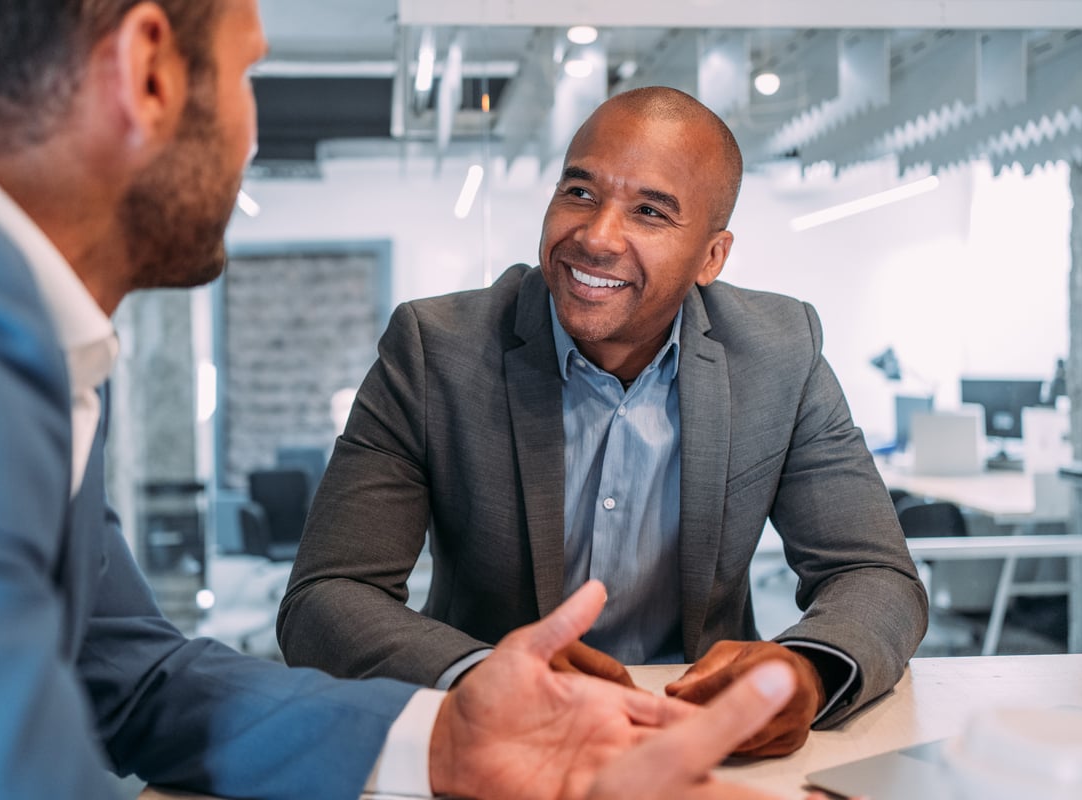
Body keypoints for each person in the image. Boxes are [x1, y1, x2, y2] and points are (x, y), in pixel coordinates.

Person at [0, 2, 816, 799]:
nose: (253, 133)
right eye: (250, 71)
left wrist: (442, 740)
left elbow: (129, 676)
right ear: (149, 73)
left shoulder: (10, 327)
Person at [279, 85, 930, 757]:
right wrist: (481, 676)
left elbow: (876, 574)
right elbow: (327, 597)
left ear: (712, 257)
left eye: (650, 212)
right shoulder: (435, 350)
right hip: (493, 741)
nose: (595, 237)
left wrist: (808, 669)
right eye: (580, 194)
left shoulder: (779, 353)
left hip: (700, 740)